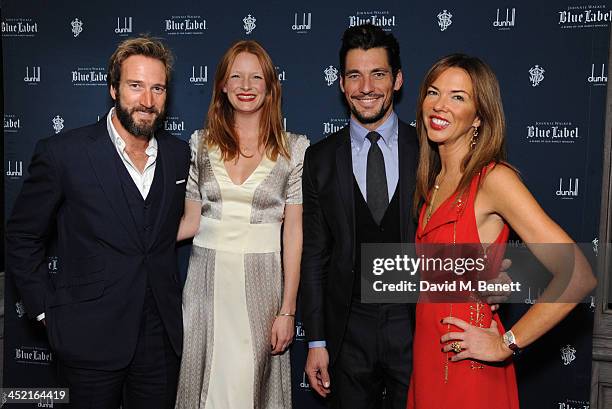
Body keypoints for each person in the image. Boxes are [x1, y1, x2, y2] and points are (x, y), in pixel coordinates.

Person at [6, 37, 189, 408]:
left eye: (158, 88)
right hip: (86, 336)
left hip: (158, 339)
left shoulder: (178, 154)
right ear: (113, 89)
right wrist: (45, 311)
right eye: (135, 86)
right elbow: (22, 235)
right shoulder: (64, 154)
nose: (147, 101)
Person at [407, 54, 597, 408]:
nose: (440, 105)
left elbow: (578, 273)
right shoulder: (433, 182)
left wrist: (506, 342)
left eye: (458, 97)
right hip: (429, 360)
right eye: (433, 92)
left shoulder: (494, 180)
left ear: (479, 117)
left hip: (469, 369)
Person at [174, 40, 308, 409]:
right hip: (204, 288)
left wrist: (287, 309)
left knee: (250, 390)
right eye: (236, 77)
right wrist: (128, 235)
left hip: (263, 285)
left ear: (270, 86)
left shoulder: (293, 149)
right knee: (207, 388)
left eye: (255, 77)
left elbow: (293, 234)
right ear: (222, 84)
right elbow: (189, 221)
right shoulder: (200, 145)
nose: (246, 86)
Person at [300, 24, 418, 409]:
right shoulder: (319, 158)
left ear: (397, 80)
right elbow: (314, 255)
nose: (366, 86)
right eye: (355, 75)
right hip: (348, 326)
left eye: (378, 73)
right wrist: (316, 340)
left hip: (414, 323)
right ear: (341, 83)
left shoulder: (429, 151)